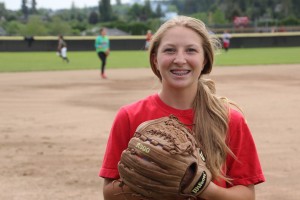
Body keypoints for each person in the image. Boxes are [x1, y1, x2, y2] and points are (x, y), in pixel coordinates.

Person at [99, 16, 265, 200]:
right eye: (169, 50)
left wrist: (198, 185)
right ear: (155, 59)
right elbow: (109, 193)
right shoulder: (130, 116)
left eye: (191, 50)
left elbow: (246, 195)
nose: (179, 59)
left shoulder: (228, 119)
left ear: (204, 60)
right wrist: (151, 181)